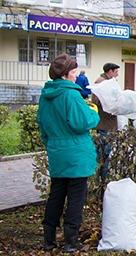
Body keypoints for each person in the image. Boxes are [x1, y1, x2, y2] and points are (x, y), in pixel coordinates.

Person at [37, 54, 99, 253]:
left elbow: (43, 126)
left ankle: (48, 239)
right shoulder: (71, 95)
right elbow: (82, 122)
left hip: (57, 151)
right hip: (76, 154)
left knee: (56, 195)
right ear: (65, 74)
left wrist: (52, 143)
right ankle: (71, 242)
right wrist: (94, 112)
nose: (76, 75)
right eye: (73, 71)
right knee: (75, 198)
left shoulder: (46, 95)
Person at [92, 63, 120, 179]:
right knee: (104, 154)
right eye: (116, 71)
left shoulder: (108, 82)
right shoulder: (102, 82)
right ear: (110, 71)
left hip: (108, 124)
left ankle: (102, 179)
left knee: (104, 154)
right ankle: (102, 180)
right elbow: (96, 101)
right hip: (105, 124)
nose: (117, 74)